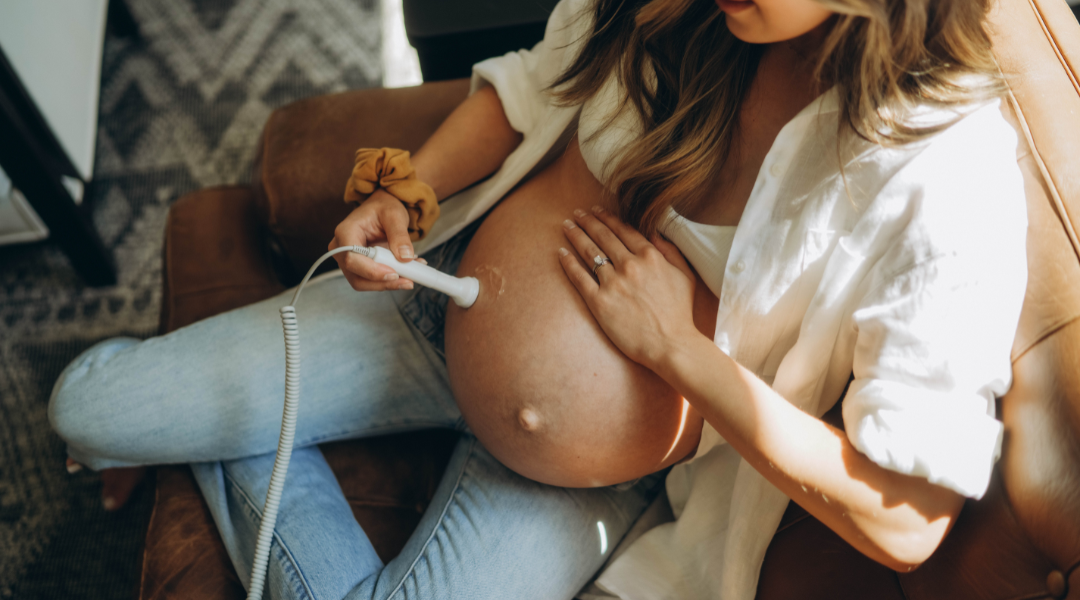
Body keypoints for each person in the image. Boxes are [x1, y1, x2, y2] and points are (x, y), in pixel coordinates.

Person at [49, 0, 1028, 598]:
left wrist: (683, 355)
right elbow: (528, 88)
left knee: (153, 429)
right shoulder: (691, 10)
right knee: (84, 410)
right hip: (427, 312)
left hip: (586, 477)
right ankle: (186, 422)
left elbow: (908, 522)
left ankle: (206, 440)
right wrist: (409, 195)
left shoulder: (947, 174)